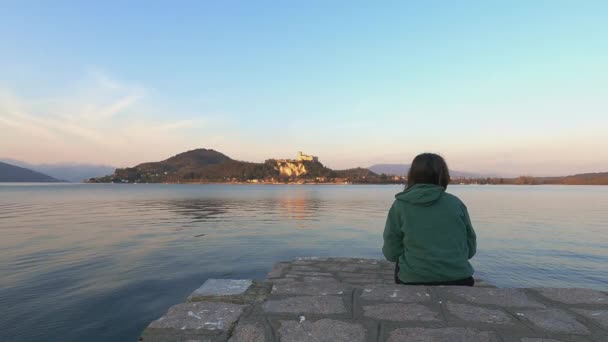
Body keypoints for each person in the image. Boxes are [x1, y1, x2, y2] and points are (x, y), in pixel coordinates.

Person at [382, 153, 477, 286]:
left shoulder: (400, 205)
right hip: (460, 278)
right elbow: (471, 247)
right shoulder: (456, 203)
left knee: (402, 263)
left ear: (412, 176)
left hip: (413, 279)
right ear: (443, 176)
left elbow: (391, 252)